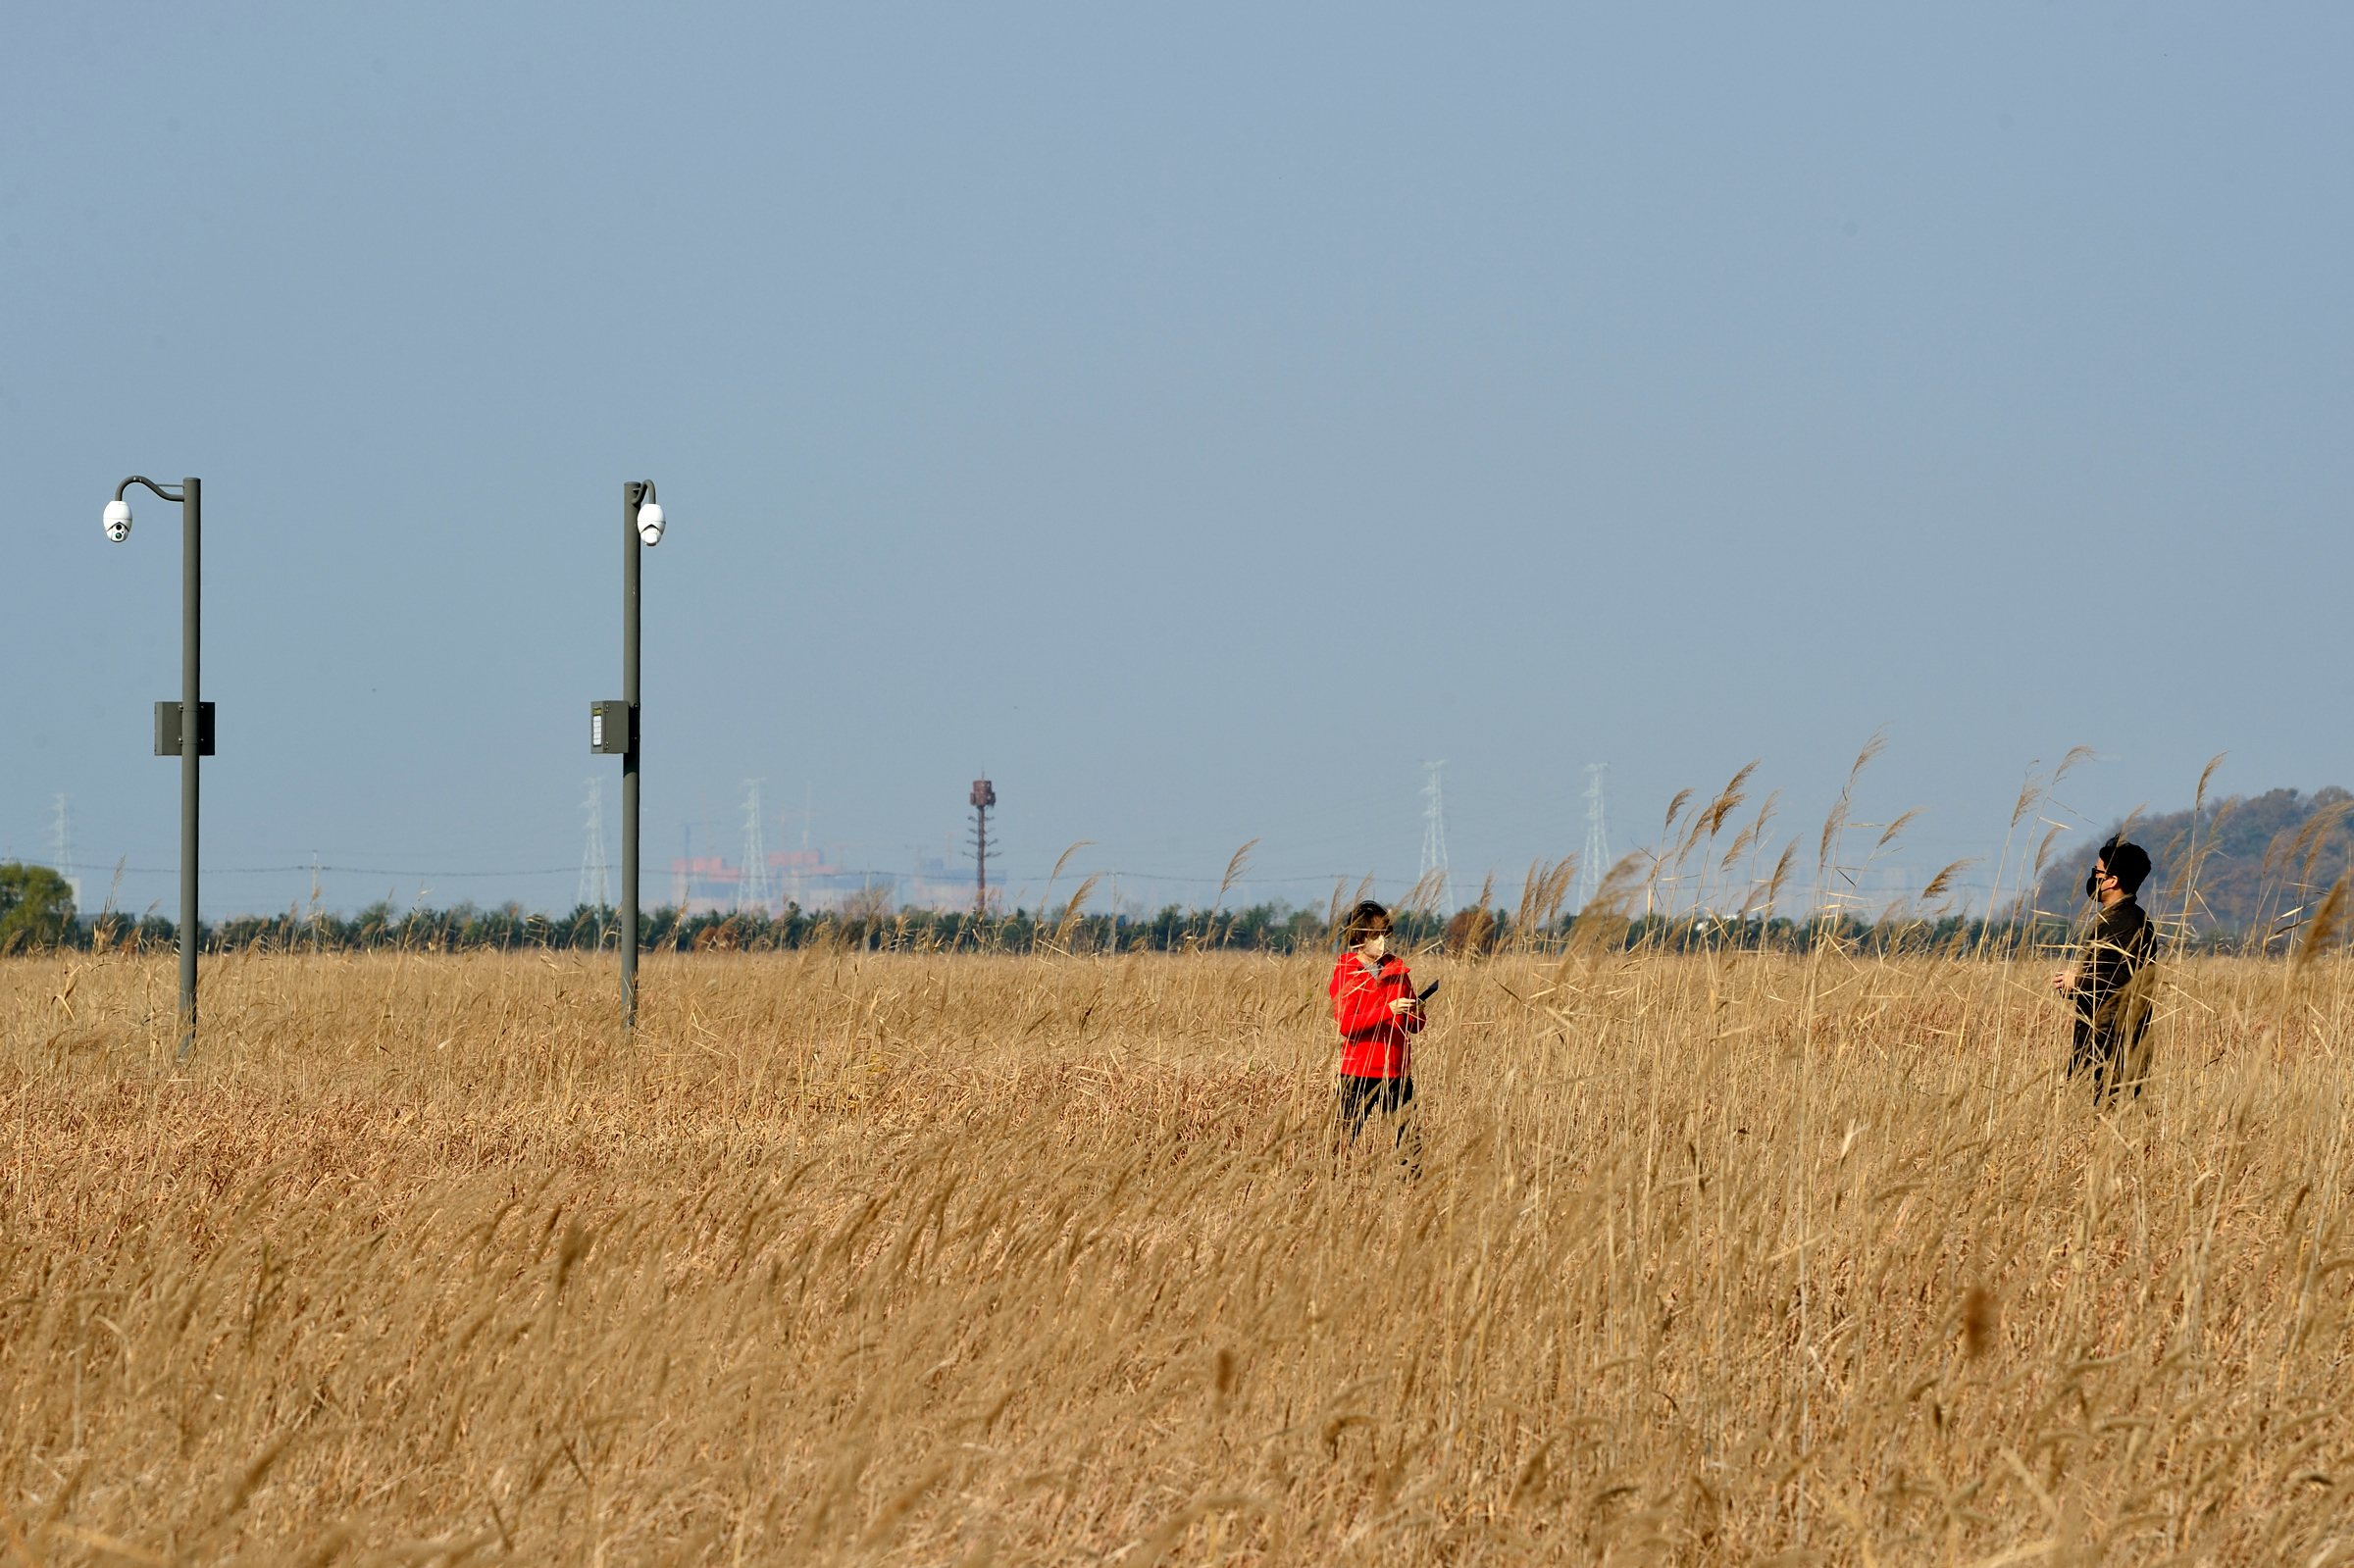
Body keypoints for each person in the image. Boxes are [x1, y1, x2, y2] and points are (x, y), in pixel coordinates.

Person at [2050, 837, 2158, 1104]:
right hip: (2098, 1042)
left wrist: (2079, 981)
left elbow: (2126, 980)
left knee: (2107, 1115)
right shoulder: (2116, 918)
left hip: (2113, 1046)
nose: (2094, 878)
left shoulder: (2129, 921)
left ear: (2112, 880)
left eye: (2097, 872)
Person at [1329, 900, 1426, 1160]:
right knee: (1341, 1142)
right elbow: (1347, 1026)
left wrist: (1416, 1011)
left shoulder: (1398, 970)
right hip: (1359, 1072)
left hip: (1396, 1071)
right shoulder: (1348, 974)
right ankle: (1329, 1182)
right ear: (1358, 937)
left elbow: (1416, 1026)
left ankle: (1411, 1184)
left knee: (1410, 1147)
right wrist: (1388, 1010)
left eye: (1385, 934)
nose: (1382, 941)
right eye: (1375, 935)